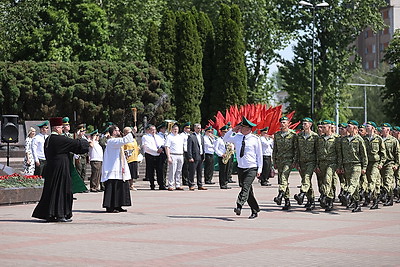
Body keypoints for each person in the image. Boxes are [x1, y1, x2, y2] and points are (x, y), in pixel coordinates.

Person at [32, 117, 89, 222]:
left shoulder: (48, 139)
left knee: (52, 191)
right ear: (56, 128)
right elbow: (78, 145)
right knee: (62, 190)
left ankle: (50, 214)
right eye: (61, 127)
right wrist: (84, 139)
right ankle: (60, 214)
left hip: (51, 168)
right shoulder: (59, 139)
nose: (62, 129)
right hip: (61, 169)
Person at [224, 117, 263, 219]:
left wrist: (260, 169)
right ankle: (255, 210)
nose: (241, 129)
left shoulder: (255, 139)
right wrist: (233, 129)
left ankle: (239, 206)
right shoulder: (237, 137)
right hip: (241, 167)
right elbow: (225, 138)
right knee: (247, 190)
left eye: (243, 127)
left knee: (245, 186)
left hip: (252, 167)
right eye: (241, 127)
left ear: (249, 129)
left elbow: (259, 155)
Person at [101, 125, 134, 213]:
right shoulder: (111, 141)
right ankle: (111, 206)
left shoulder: (115, 142)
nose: (119, 132)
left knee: (120, 186)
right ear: (114, 131)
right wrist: (130, 132)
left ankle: (118, 205)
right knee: (113, 187)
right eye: (118, 130)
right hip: (113, 168)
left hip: (119, 167)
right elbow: (125, 140)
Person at [337, 120, 368, 212]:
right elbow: (341, 155)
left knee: (353, 182)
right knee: (355, 186)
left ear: (354, 128)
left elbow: (364, 155)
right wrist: (340, 166)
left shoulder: (359, 139)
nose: (347, 128)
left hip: (356, 164)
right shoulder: (344, 140)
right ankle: (357, 204)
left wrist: (364, 167)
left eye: (349, 126)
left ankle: (347, 194)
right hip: (346, 165)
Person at [294, 118, 319, 210]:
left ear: (310, 124)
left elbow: (317, 151)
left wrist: (317, 163)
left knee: (306, 178)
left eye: (305, 124)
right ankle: (311, 200)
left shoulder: (315, 136)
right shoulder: (299, 136)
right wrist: (296, 161)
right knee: (307, 182)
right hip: (301, 161)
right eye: (303, 123)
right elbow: (297, 150)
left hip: (311, 161)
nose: (304, 125)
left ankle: (301, 194)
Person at [315, 120, 340, 212]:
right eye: (322, 127)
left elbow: (339, 153)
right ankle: (329, 200)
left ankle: (324, 196)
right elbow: (317, 152)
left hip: (332, 163)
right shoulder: (320, 139)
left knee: (328, 180)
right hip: (322, 163)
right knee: (322, 181)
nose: (322, 128)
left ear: (329, 128)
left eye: (324, 127)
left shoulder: (336, 139)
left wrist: (339, 165)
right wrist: (317, 165)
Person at [273, 116, 297, 210]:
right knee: (283, 180)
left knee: (284, 177)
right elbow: (275, 149)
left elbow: (295, 149)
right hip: (279, 160)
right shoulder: (277, 134)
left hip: (288, 160)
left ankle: (279, 195)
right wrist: (274, 161)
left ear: (288, 124)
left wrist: (295, 161)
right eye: (281, 122)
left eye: (284, 122)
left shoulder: (293, 135)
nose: (282, 124)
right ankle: (287, 201)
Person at [363, 121, 386, 209]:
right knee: (373, 182)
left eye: (368, 126)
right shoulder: (364, 139)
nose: (366, 128)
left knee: (372, 178)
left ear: (373, 128)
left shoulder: (378, 139)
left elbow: (383, 153)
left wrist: (381, 163)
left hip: (375, 163)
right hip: (367, 163)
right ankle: (375, 200)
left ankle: (369, 192)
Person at [380, 123, 400, 206]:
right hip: (381, 163)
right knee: (382, 182)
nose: (382, 129)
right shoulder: (379, 139)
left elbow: (397, 153)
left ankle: (390, 198)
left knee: (388, 181)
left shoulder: (393, 140)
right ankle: (383, 196)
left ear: (388, 130)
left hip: (390, 163)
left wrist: (397, 164)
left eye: (383, 128)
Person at [142, 124, 167, 190]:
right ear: (149, 130)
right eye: (152, 130)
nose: (153, 131)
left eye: (154, 129)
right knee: (151, 171)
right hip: (150, 155)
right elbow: (146, 147)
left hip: (159, 155)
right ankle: (152, 184)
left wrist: (161, 148)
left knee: (160, 170)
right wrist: (156, 150)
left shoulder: (158, 137)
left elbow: (163, 143)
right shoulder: (145, 137)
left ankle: (161, 184)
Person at [165, 123, 185, 190]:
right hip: (173, 155)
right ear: (172, 130)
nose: (176, 130)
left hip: (180, 155)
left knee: (179, 171)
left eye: (177, 129)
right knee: (172, 171)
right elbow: (167, 147)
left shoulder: (180, 137)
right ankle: (170, 185)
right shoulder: (169, 137)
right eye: (174, 129)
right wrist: (169, 157)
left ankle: (178, 184)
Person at [187, 123, 207, 190]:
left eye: (200, 128)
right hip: (194, 156)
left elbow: (202, 146)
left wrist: (203, 155)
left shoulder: (201, 136)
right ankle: (191, 184)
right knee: (192, 172)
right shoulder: (191, 136)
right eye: (198, 128)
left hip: (200, 156)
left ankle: (200, 184)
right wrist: (190, 157)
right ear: (195, 129)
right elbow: (189, 147)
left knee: (200, 172)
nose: (199, 129)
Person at [214, 125, 232, 189]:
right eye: (224, 132)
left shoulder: (228, 140)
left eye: (226, 132)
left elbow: (231, 146)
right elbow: (215, 149)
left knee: (227, 170)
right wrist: (221, 154)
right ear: (221, 132)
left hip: (228, 156)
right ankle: (222, 184)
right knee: (222, 171)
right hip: (222, 157)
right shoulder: (219, 140)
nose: (225, 133)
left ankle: (226, 183)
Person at [122, 126, 139, 191]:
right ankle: (128, 185)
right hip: (128, 158)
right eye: (129, 132)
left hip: (134, 157)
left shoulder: (133, 139)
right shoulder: (124, 140)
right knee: (128, 172)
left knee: (132, 172)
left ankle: (131, 185)